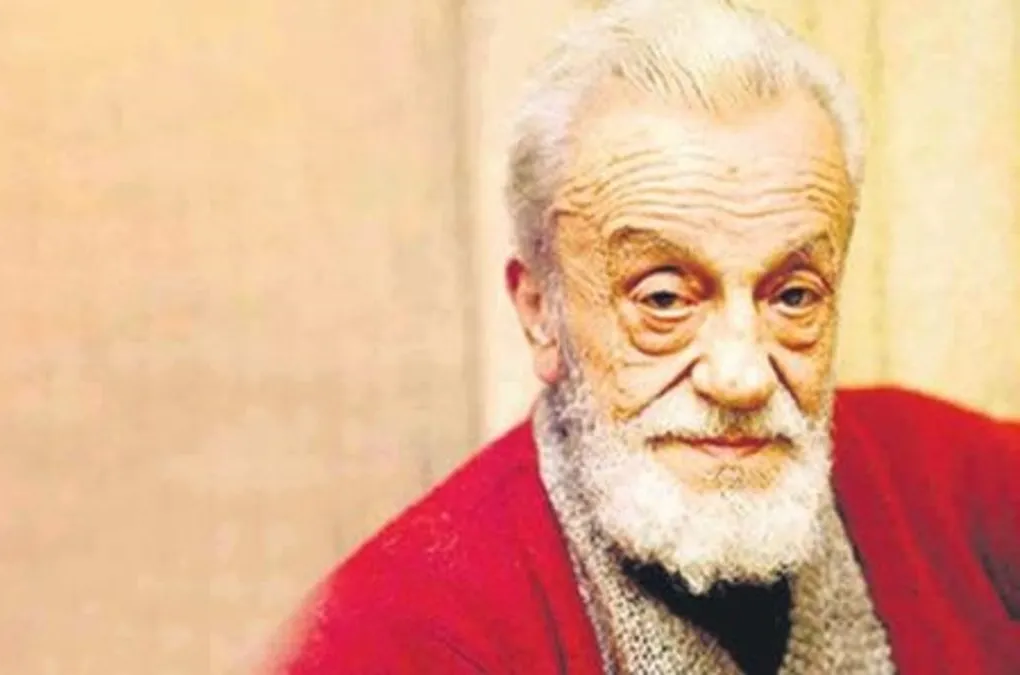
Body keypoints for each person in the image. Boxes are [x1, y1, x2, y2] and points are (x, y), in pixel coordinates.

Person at [265, 0, 1020, 672]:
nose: (741, 375)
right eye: (664, 299)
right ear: (540, 310)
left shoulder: (947, 483)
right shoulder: (392, 641)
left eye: (793, 296)